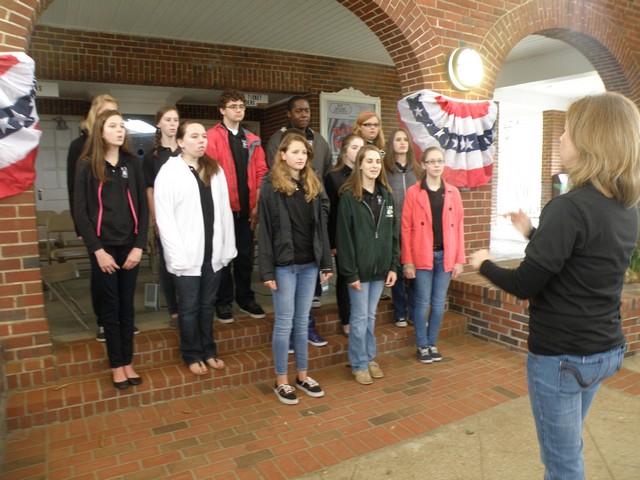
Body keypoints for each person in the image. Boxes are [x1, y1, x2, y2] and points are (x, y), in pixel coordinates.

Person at [469, 92, 640, 479]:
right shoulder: (626, 208)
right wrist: (532, 232)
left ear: (588, 141)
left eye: (566, 130)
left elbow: (525, 283)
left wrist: (484, 265)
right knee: (567, 446)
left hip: (562, 357)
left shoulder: (568, 206)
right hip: (604, 351)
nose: (560, 138)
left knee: (563, 465)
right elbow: (582, 259)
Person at [154, 120, 237, 375]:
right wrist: (175, 255)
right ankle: (191, 354)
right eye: (194, 136)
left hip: (212, 253)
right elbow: (164, 219)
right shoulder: (169, 172)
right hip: (186, 255)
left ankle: (208, 351)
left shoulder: (215, 170)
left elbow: (225, 212)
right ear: (180, 142)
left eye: (203, 136)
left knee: (206, 306)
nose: (202, 141)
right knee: (188, 309)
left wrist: (227, 248)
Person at [73, 110, 148, 390]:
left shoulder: (132, 163)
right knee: (111, 307)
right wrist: (97, 250)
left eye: (122, 126)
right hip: (104, 249)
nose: (119, 130)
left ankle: (128, 361)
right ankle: (116, 364)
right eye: (112, 126)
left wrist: (139, 247)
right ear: (100, 131)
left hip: (130, 248)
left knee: (127, 308)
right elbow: (80, 212)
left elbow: (142, 207)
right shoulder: (86, 164)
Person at [258, 132, 333, 405]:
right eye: (295, 152)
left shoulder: (313, 182)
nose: (300, 157)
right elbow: (264, 229)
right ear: (282, 154)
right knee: (284, 324)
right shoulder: (270, 184)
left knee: (302, 324)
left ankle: (302, 376)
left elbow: (320, 228)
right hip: (284, 266)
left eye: (304, 153)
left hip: (309, 264)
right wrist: (266, 271)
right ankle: (281, 381)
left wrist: (326, 261)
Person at [66, 94, 127, 342]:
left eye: (115, 112)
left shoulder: (124, 154)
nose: (111, 117)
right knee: (101, 274)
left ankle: (122, 319)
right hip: (93, 224)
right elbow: (74, 191)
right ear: (95, 117)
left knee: (121, 276)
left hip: (120, 225)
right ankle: (104, 321)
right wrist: (79, 225)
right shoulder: (79, 148)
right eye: (105, 112)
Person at [337, 145, 399, 385]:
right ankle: (359, 363)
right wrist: (350, 272)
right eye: (369, 161)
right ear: (360, 164)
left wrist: (393, 266)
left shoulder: (387, 195)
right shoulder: (349, 196)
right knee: (360, 317)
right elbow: (344, 239)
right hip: (358, 272)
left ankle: (368, 358)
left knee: (370, 317)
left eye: (377, 161)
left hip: (380, 269)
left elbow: (393, 235)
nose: (374, 165)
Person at [267, 95, 333, 319]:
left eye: (307, 111)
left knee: (305, 310)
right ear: (289, 114)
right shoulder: (278, 140)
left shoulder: (320, 141)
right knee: (286, 316)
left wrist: (320, 212)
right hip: (288, 237)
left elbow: (325, 174)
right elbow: (274, 175)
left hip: (311, 220)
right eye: (298, 111)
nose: (304, 114)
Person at [205, 88, 268, 323]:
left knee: (243, 257)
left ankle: (245, 298)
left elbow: (262, 173)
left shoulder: (252, 140)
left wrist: (257, 205)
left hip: (247, 211)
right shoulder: (211, 137)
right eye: (233, 106)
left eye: (241, 106)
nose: (238, 110)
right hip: (222, 212)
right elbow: (207, 173)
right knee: (222, 258)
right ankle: (222, 302)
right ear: (222, 110)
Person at [402, 146, 465, 364]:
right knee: (421, 303)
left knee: (438, 304)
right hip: (422, 256)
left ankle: (432, 342)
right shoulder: (414, 192)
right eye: (432, 161)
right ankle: (421, 344)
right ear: (424, 165)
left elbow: (458, 227)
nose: (437, 165)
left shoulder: (452, 192)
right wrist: (407, 261)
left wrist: (459, 259)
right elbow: (406, 228)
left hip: (445, 256)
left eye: (440, 161)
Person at [143, 106, 181, 330]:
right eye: (168, 120)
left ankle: (188, 305)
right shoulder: (152, 157)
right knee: (169, 265)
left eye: (176, 120)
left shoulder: (185, 152)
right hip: (164, 217)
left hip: (187, 216)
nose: (173, 124)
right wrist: (156, 219)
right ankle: (174, 310)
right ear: (159, 124)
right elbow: (150, 190)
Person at [324, 133, 364, 336]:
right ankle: (346, 319)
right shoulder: (334, 176)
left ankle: (359, 316)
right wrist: (332, 242)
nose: (358, 152)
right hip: (341, 237)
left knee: (361, 276)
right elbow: (329, 213)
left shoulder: (365, 174)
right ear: (345, 150)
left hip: (362, 237)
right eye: (355, 147)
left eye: (361, 148)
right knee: (345, 277)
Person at [384, 128, 421, 328]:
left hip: (416, 232)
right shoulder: (386, 169)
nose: (402, 143)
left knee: (415, 274)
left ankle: (413, 312)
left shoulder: (417, 170)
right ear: (392, 143)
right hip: (394, 229)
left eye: (405, 139)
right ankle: (399, 312)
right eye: (398, 139)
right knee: (396, 272)